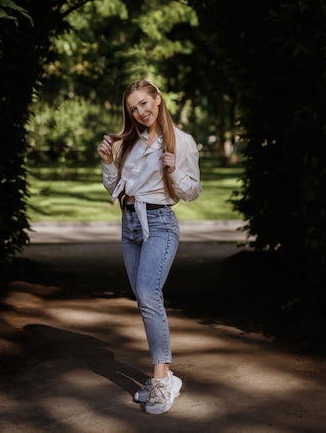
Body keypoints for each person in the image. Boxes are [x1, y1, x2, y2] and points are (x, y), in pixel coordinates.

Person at [97, 79, 202, 415]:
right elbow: (115, 188)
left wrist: (174, 170)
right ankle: (168, 376)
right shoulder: (129, 142)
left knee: (147, 292)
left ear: (157, 99)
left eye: (144, 103)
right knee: (144, 299)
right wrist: (108, 163)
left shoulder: (181, 141)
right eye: (133, 108)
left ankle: (160, 379)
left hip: (160, 224)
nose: (140, 112)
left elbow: (192, 191)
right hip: (129, 224)